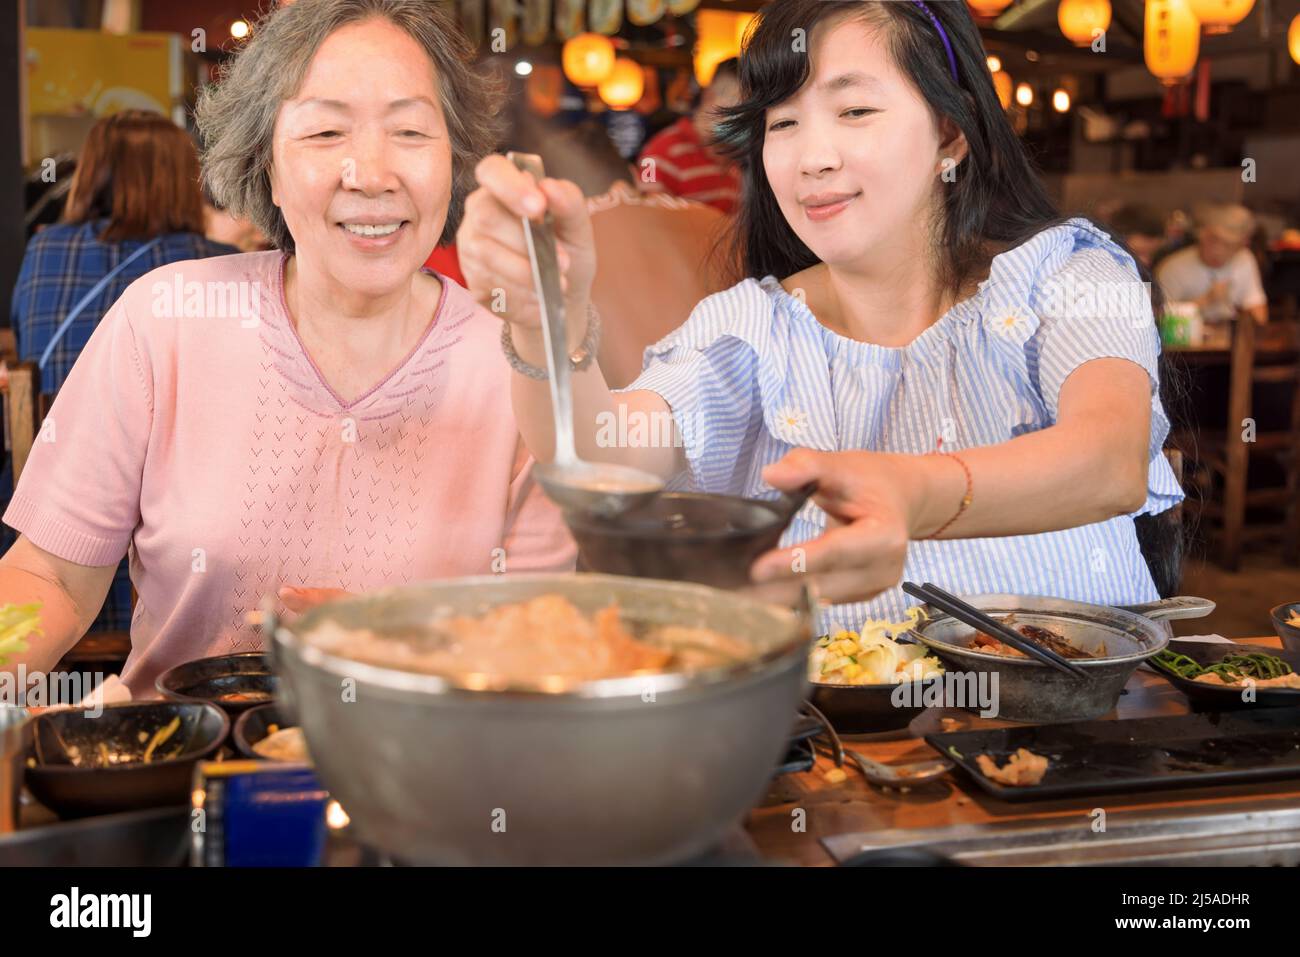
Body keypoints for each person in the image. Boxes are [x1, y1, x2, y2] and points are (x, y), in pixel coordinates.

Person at [458, 0, 1182, 628]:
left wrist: (913, 492)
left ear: (950, 135)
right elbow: (598, 456)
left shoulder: (1068, 277)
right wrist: (544, 318)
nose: (812, 156)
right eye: (783, 123)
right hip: (841, 758)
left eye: (855, 110)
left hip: (1088, 744)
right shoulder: (753, 332)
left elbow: (1109, 459)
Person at [0, 0, 573, 696]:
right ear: (267, 165)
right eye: (326, 130)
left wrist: (389, 644)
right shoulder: (166, 321)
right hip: (181, 771)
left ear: (453, 162)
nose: (370, 173)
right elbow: (50, 574)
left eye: (411, 131)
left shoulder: (520, 371)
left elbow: (541, 637)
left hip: (420, 780)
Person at [8, 109, 240, 634]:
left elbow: (28, 341)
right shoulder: (219, 265)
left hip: (43, 532)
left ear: (90, 172)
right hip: (167, 555)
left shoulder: (44, 249)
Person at [516, 119, 730, 388]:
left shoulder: (547, 250)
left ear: (547, 199)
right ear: (632, 173)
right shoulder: (715, 221)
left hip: (624, 421)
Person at [637, 58, 742, 213]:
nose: (743, 120)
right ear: (709, 97)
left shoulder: (738, 158)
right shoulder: (657, 154)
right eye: (736, 108)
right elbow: (649, 215)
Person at [1156, 203, 1268, 324]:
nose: (1218, 251)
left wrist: (1246, 314)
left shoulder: (1245, 259)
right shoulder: (1173, 268)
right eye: (1213, 240)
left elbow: (1259, 313)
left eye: (1229, 245)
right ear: (1201, 235)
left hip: (1228, 336)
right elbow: (1158, 318)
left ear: (1242, 244)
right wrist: (1205, 301)